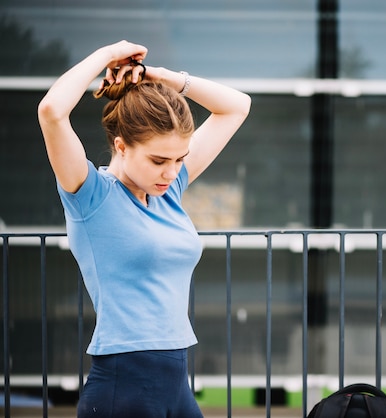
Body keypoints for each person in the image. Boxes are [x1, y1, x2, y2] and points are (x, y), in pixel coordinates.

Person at [38, 40, 251, 417]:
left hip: (175, 379)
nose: (171, 172)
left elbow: (237, 106)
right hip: (123, 387)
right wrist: (107, 55)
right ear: (121, 146)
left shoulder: (168, 191)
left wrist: (158, 77)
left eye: (179, 159)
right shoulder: (91, 196)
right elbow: (52, 111)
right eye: (158, 160)